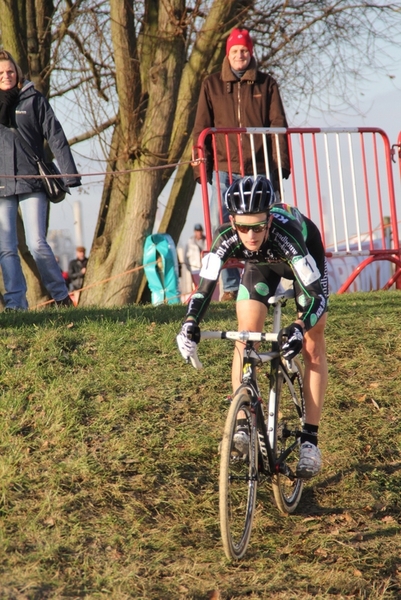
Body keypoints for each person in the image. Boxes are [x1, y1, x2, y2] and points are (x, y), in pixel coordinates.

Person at [177, 176, 328, 479]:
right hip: (260, 267)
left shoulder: (288, 234)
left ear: (269, 219)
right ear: (232, 222)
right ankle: (244, 421)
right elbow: (204, 288)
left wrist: (298, 326)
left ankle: (310, 440)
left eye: (258, 226)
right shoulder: (226, 238)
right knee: (245, 333)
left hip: (301, 257)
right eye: (243, 227)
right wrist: (190, 323)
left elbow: (316, 296)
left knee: (312, 342)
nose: (250, 235)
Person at [192, 28, 291, 301]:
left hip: (261, 168)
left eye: (244, 51)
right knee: (224, 224)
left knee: (269, 223)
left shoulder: (266, 83)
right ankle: (231, 285)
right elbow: (201, 126)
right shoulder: (211, 84)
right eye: (235, 51)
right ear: (228, 53)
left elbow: (278, 124)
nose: (240, 56)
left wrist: (280, 164)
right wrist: (200, 166)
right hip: (225, 166)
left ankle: (271, 280)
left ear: (251, 52)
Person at [0, 50, 81, 311]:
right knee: (7, 248)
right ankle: (15, 304)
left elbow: (55, 135)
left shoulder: (33, 99)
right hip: (2, 185)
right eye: (0, 73)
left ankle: (60, 297)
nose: (6, 76)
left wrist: (69, 174)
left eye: (10, 71)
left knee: (36, 243)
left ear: (17, 72)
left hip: (33, 181)